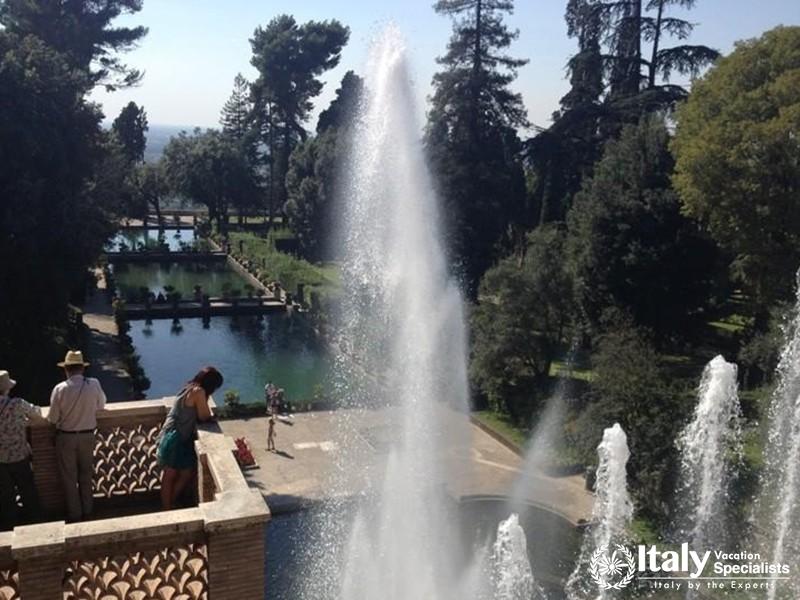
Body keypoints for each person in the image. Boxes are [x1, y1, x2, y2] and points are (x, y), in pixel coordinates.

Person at [48, 350, 107, 522]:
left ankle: (75, 514)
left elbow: (53, 418)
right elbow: (101, 405)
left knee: (69, 478)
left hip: (66, 437)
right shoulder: (94, 384)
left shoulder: (60, 389)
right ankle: (88, 510)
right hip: (88, 436)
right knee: (86, 475)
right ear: (82, 368)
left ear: (66, 369)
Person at [157, 366, 222, 510]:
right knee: (171, 474)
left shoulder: (189, 387)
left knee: (184, 473)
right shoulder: (199, 392)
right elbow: (204, 416)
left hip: (174, 434)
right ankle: (167, 508)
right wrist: (212, 416)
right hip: (175, 437)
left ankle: (171, 503)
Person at [0, 370, 45, 531]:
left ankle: (9, 525)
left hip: (0, 459)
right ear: (7, 388)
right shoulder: (17, 404)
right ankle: (35, 523)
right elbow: (37, 414)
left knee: (6, 494)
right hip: (19, 455)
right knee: (27, 490)